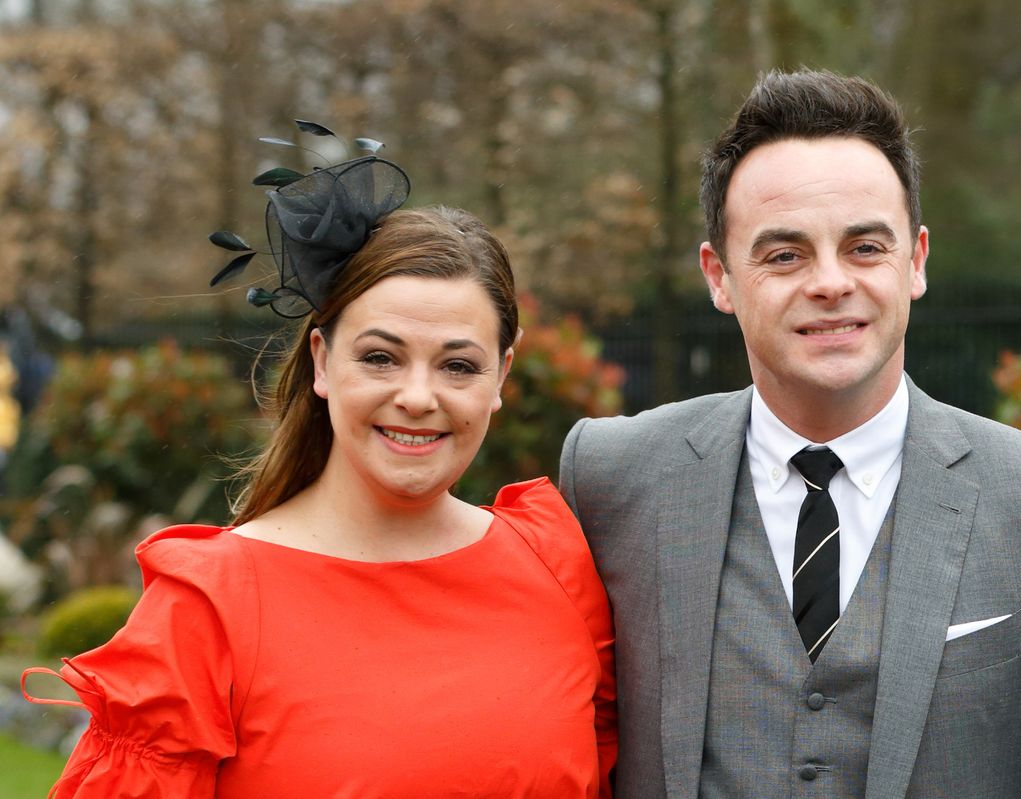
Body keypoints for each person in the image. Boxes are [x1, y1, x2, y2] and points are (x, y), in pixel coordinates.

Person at [559, 68, 1021, 797]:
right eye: (784, 255)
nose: (829, 282)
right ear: (718, 277)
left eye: (865, 247)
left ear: (916, 260)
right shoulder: (611, 478)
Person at [24, 149, 617, 797]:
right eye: (381, 357)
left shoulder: (556, 563)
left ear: (501, 375)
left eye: (458, 365)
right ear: (323, 362)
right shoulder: (207, 609)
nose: (419, 396)